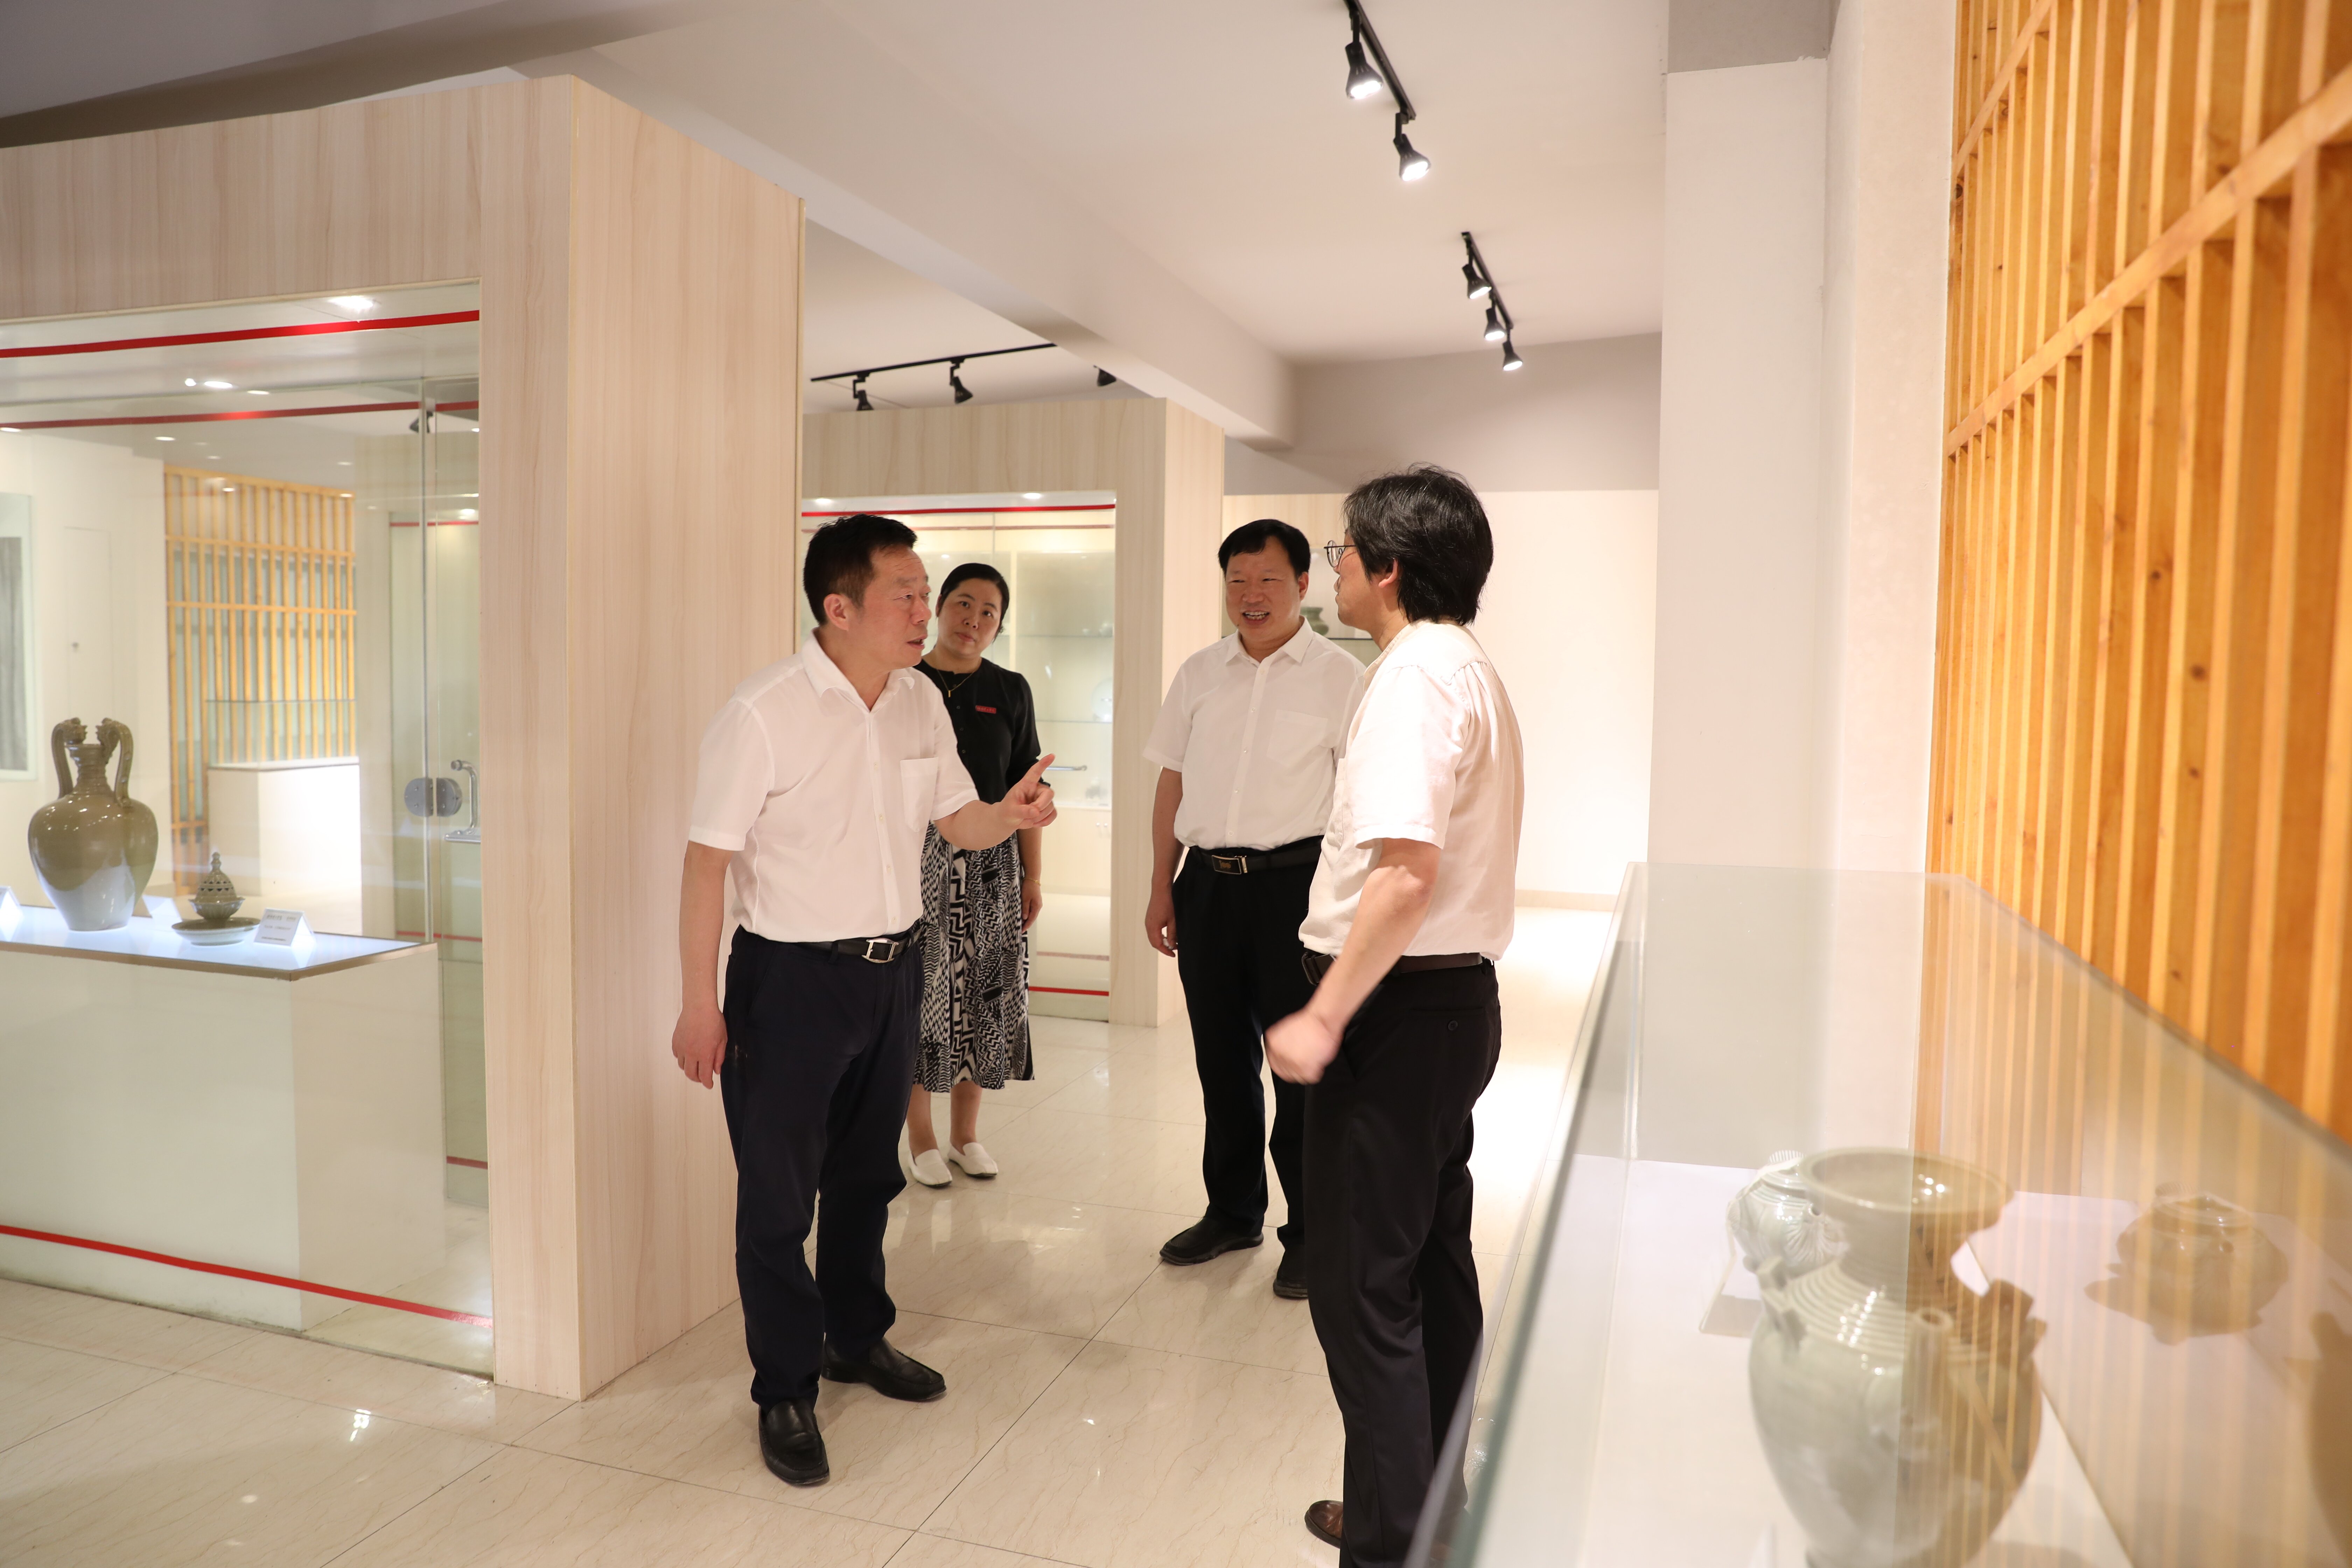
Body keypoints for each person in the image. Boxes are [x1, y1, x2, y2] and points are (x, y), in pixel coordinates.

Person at [670, 514, 1058, 1490]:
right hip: (789, 982)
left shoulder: (920, 700)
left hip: (897, 970)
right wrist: (698, 1003)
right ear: (839, 609)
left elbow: (956, 821)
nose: (927, 611)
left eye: (927, 593)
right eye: (907, 595)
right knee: (777, 1200)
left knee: (865, 1180)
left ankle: (855, 1337)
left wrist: (1008, 815)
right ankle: (784, 1387)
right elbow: (705, 864)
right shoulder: (763, 712)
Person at [1264, 467, 1524, 1568]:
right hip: (1449, 1007)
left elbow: (1406, 875)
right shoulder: (1465, 665)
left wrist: (1325, 1016)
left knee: (1362, 1293)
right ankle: (1417, 1508)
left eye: (1343, 553)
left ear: (1389, 569)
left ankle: (1390, 1544)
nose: (1336, 571)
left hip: (1397, 1015)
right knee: (1429, 1265)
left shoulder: (1415, 675)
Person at [1142, 517, 1364, 1299]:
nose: (1251, 595)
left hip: (1294, 890)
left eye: (1268, 579)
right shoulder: (1200, 672)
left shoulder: (1341, 678)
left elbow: (1355, 808)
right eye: (1237, 580)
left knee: (1300, 1071)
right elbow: (1171, 781)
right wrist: (1162, 883)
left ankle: (1310, 1232)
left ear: (1303, 584)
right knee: (1220, 1060)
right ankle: (1233, 1211)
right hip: (1207, 885)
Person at [904, 562, 1043, 1186]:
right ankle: (922, 1138)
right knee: (922, 995)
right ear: (939, 607)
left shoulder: (1010, 689)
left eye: (990, 612)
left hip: (993, 863)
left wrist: (1032, 878)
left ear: (999, 625)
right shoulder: (905, 681)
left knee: (987, 993)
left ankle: (966, 1135)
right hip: (918, 859)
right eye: (964, 603)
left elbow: (1028, 789)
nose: (974, 619)